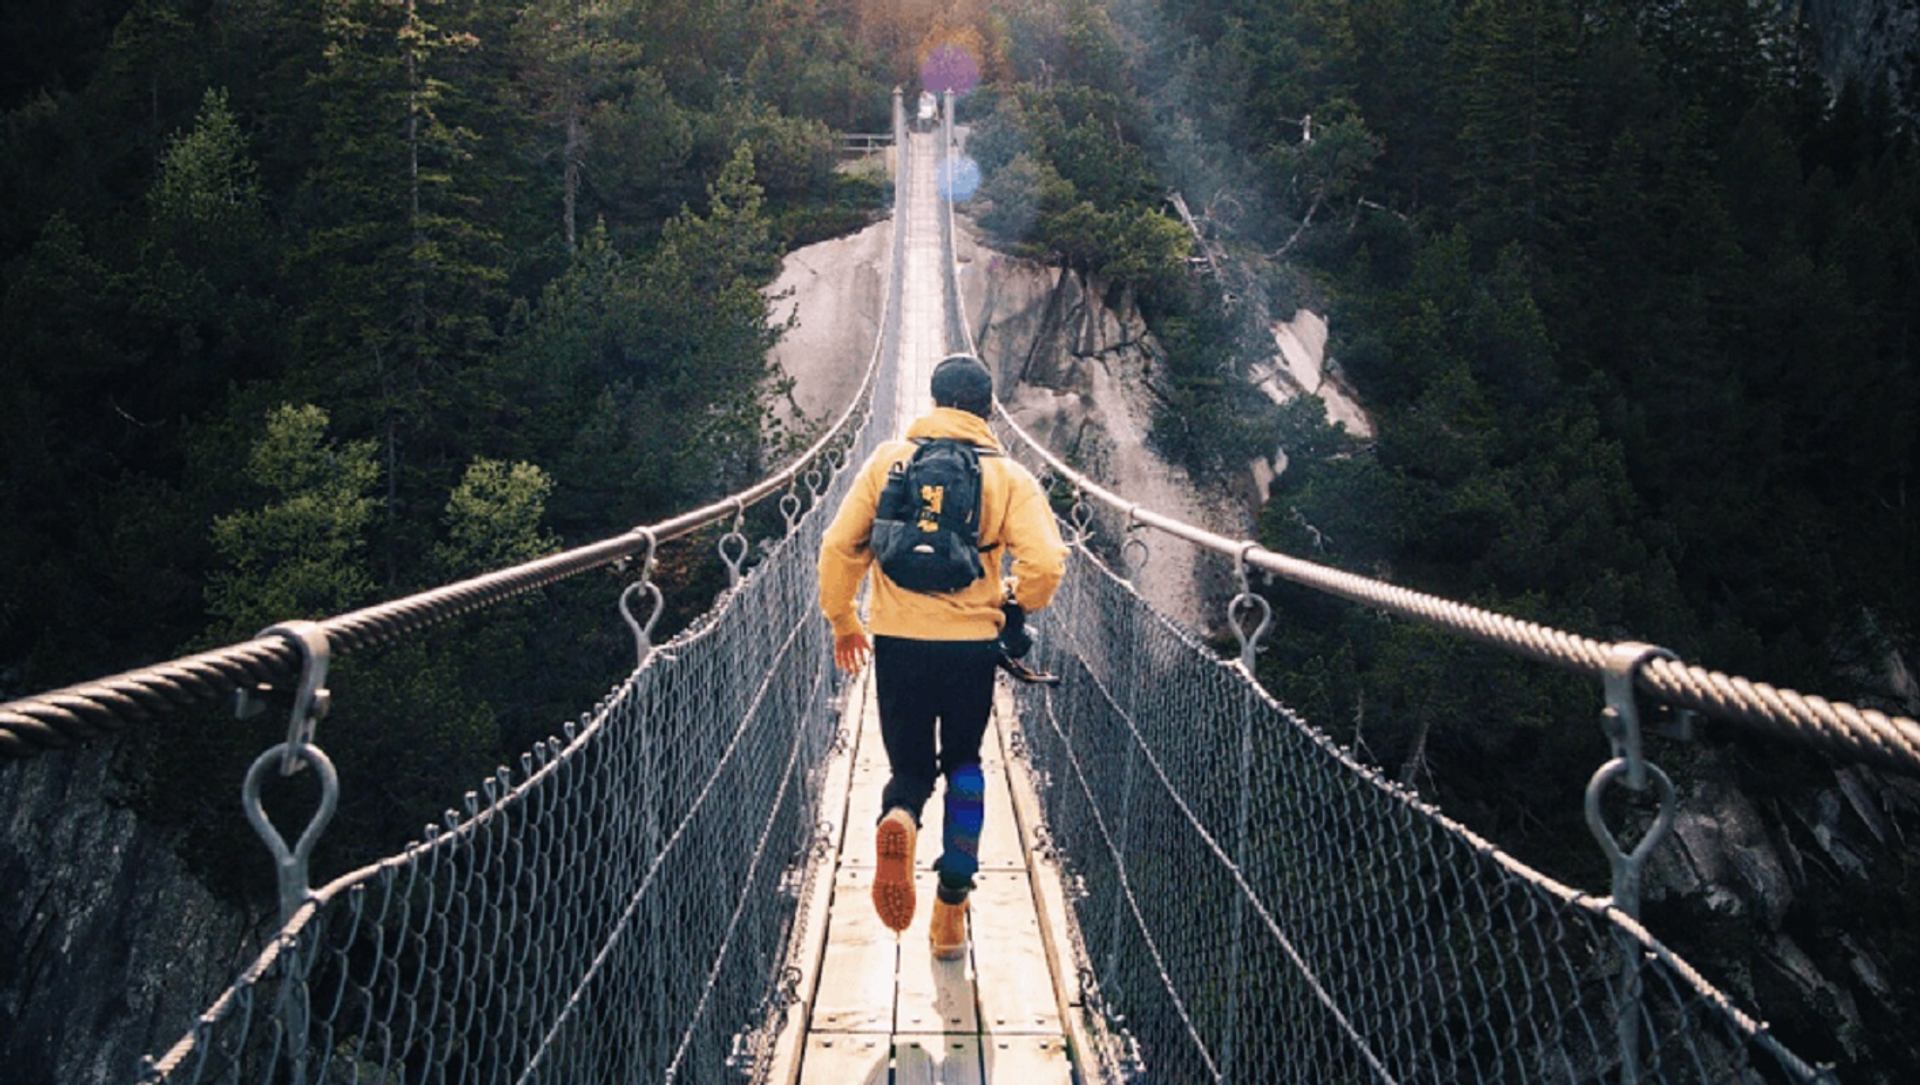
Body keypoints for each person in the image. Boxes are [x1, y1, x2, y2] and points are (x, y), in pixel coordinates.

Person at [818, 353, 1067, 959]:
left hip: (899, 643)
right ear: (987, 410)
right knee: (964, 766)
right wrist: (1012, 604)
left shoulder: (887, 461)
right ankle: (951, 907)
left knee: (909, 767)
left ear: (932, 402)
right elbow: (1046, 565)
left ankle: (899, 815)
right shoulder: (1009, 477)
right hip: (969, 651)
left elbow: (838, 546)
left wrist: (844, 620)